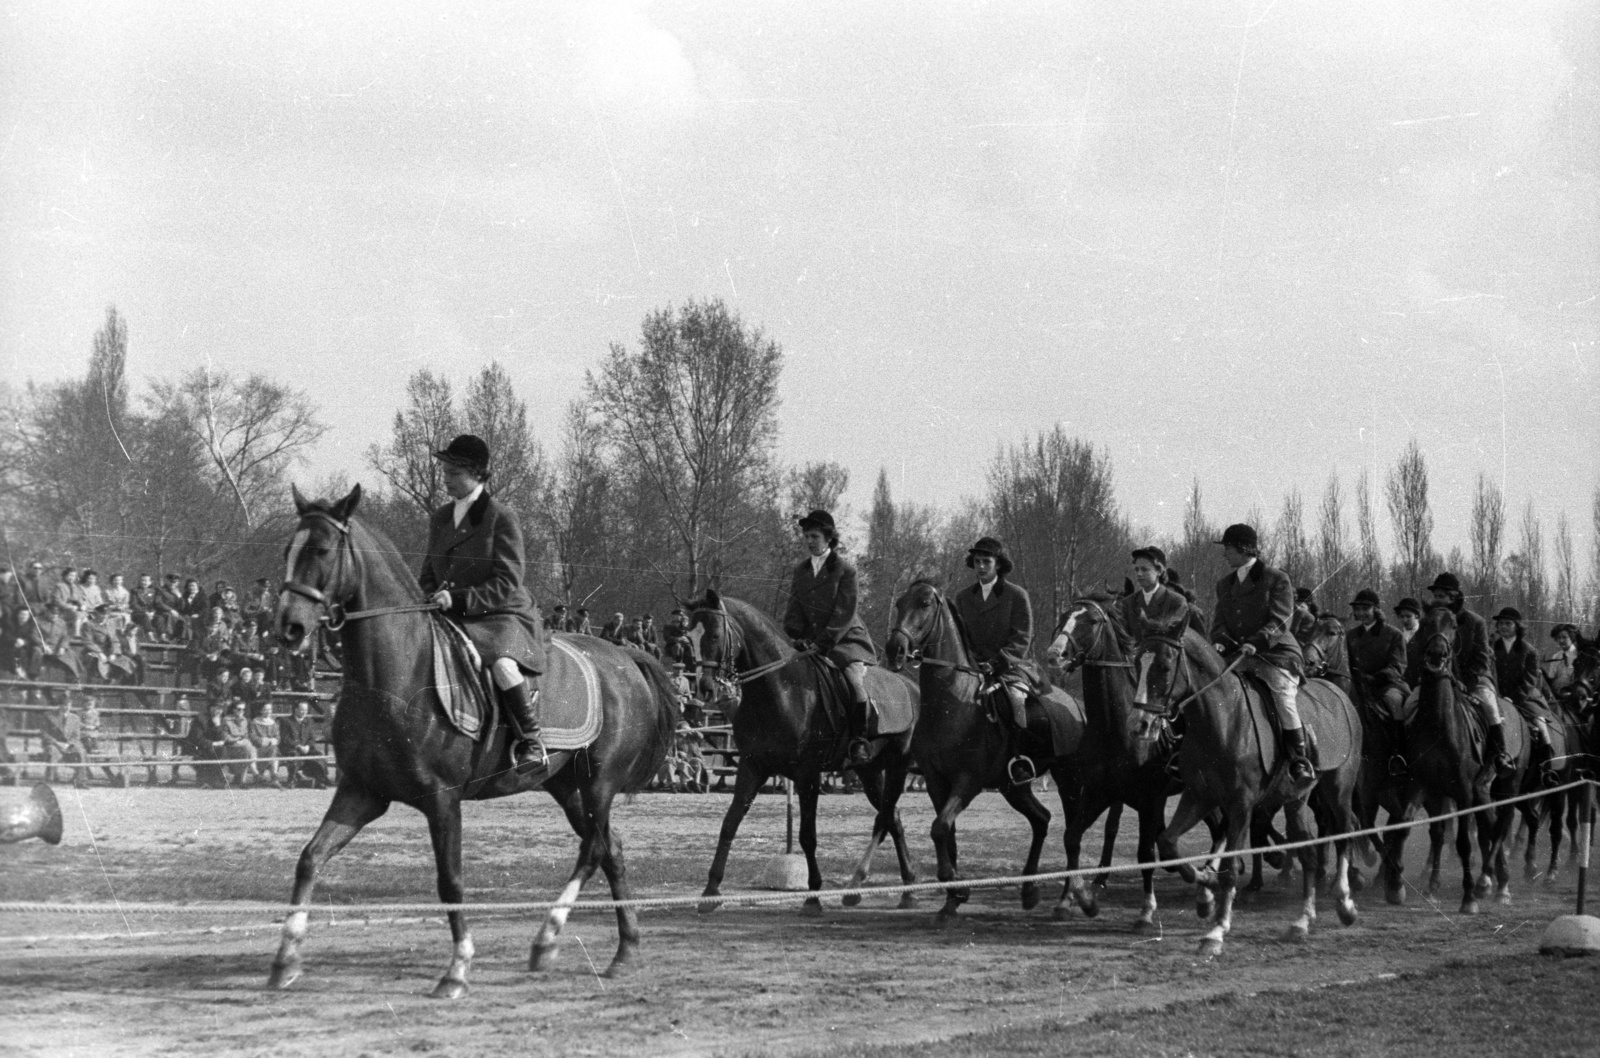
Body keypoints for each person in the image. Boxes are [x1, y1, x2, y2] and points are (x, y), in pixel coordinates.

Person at [419, 434, 548, 771]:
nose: (444, 479)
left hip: (498, 612)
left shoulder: (499, 516)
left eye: (452, 473)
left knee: (502, 666)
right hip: (448, 611)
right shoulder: (441, 517)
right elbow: (429, 569)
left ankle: (531, 741)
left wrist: (458, 599)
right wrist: (427, 596)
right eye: (444, 472)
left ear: (474, 473)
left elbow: (508, 580)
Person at [1210, 523, 1314, 784]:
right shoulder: (1224, 584)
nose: (1225, 554)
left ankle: (1298, 759)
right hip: (1238, 655)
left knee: (1282, 695)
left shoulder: (1276, 578)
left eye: (1228, 548)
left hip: (1276, 653)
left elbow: (1281, 619)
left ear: (1244, 549)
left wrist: (1258, 641)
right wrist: (1221, 641)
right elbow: (1219, 621)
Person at [783, 510, 878, 767]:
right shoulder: (801, 570)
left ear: (828, 538)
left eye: (814, 536)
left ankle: (859, 741)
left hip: (846, 640)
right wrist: (797, 635)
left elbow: (844, 612)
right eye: (806, 536)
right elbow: (794, 608)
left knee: (854, 683)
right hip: (812, 642)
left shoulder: (845, 569)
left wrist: (823, 642)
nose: (809, 541)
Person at [952, 535, 1050, 785]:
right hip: (973, 667)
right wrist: (972, 660)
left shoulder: (1016, 595)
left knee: (1015, 701)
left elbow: (1022, 637)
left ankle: (1019, 759)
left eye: (986, 561)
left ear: (998, 564)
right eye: (977, 561)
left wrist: (998, 663)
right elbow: (961, 637)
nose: (981, 567)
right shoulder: (962, 598)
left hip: (1013, 667)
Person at [1411, 572, 1512, 783]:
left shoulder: (1476, 622)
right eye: (1435, 596)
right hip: (1438, 680)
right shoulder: (1430, 620)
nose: (1437, 600)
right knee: (1407, 706)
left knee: (1491, 708)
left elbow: (1482, 659)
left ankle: (1501, 755)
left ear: (1454, 597)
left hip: (1474, 681)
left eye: (1442, 596)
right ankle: (1405, 757)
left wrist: (1466, 683)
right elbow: (1418, 651)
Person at [1345, 588, 1410, 773]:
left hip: (1387, 685)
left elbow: (1399, 665)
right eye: (1358, 609)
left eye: (1366, 608)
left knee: (1394, 702)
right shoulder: (1350, 636)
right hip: (1357, 685)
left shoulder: (1393, 634)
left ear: (1376, 610)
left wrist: (1376, 678)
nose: (1361, 613)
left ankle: (1398, 754)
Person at [1491, 607, 1554, 761]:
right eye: (1500, 624)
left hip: (1525, 697)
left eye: (1507, 623)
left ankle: (1547, 760)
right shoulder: (1492, 647)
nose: (1503, 627)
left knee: (1540, 725)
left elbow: (1530, 680)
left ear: (1517, 626)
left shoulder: (1529, 651)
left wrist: (1513, 698)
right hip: (1497, 695)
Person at [1116, 546, 1193, 650]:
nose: (1139, 574)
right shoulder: (1128, 603)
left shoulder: (1177, 601)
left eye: (1145, 569)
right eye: (1137, 569)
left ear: (1159, 571)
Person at [279, 699, 328, 787]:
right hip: (291, 748)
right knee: (293, 754)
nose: (304, 712)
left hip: (306, 749)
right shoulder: (286, 721)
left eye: (306, 710)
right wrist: (298, 746)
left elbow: (312, 738)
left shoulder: (309, 721)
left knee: (319, 755)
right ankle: (292, 780)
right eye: (302, 710)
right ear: (295, 709)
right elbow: (285, 739)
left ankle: (320, 781)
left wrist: (308, 747)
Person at [39, 700, 88, 788]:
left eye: (69, 705)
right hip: (54, 744)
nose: (66, 707)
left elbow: (76, 736)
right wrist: (56, 743)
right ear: (59, 705)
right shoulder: (49, 716)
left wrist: (68, 744)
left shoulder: (75, 718)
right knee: (51, 751)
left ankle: (80, 781)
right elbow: (44, 733)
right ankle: (49, 780)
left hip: (69, 746)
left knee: (81, 751)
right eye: (64, 705)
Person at [248, 698, 283, 786]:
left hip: (270, 748)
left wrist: (274, 740)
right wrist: (262, 741)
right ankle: (258, 776)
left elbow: (277, 736)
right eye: (265, 709)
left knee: (274, 750)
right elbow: (252, 736)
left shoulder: (273, 723)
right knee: (270, 750)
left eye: (270, 709)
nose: (268, 711)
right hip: (258, 748)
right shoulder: (255, 722)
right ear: (261, 710)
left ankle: (274, 776)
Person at [1544, 624, 1581, 703]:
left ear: (1572, 637)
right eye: (1558, 638)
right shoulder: (1556, 656)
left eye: (1564, 637)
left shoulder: (1579, 656)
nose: (1561, 640)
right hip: (1557, 697)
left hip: (1575, 697)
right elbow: (1551, 678)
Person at [52, 566, 87, 635]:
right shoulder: (59, 586)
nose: (72, 578)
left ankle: (83, 635)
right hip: (62, 611)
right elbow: (56, 600)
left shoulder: (75, 587)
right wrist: (69, 607)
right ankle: (76, 635)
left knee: (86, 616)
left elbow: (79, 598)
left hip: (74, 610)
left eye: (74, 576)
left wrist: (82, 604)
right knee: (78, 615)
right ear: (65, 575)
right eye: (70, 575)